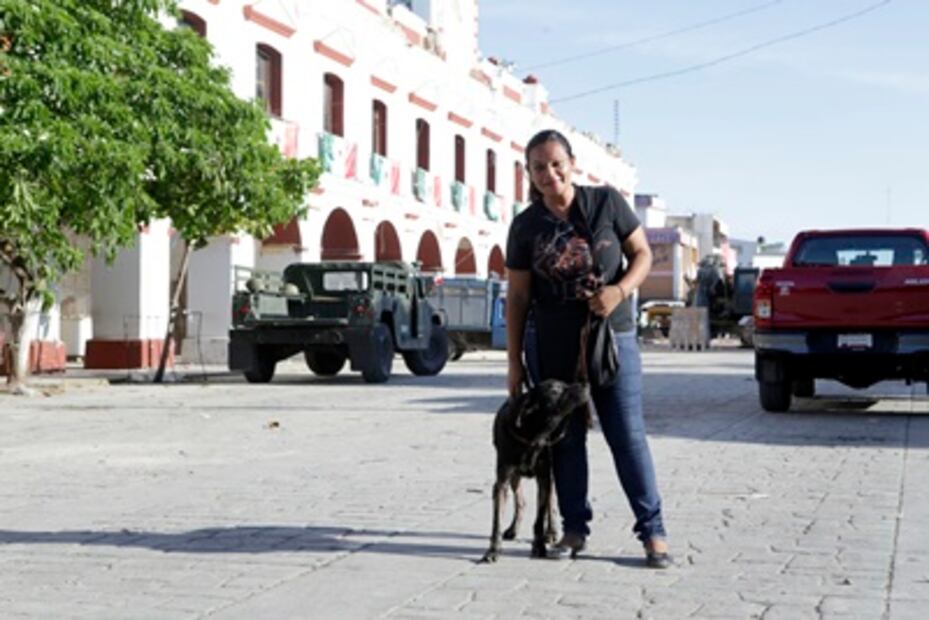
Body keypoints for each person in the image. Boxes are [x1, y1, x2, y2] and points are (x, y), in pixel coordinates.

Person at [504, 129, 670, 568]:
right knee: (565, 440)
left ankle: (653, 532)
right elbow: (518, 298)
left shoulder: (605, 203)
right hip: (552, 344)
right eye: (539, 167)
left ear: (572, 163)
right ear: (529, 174)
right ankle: (574, 529)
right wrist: (514, 365)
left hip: (611, 339)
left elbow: (643, 255)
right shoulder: (525, 226)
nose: (549, 173)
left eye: (556, 163)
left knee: (627, 436)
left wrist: (620, 291)